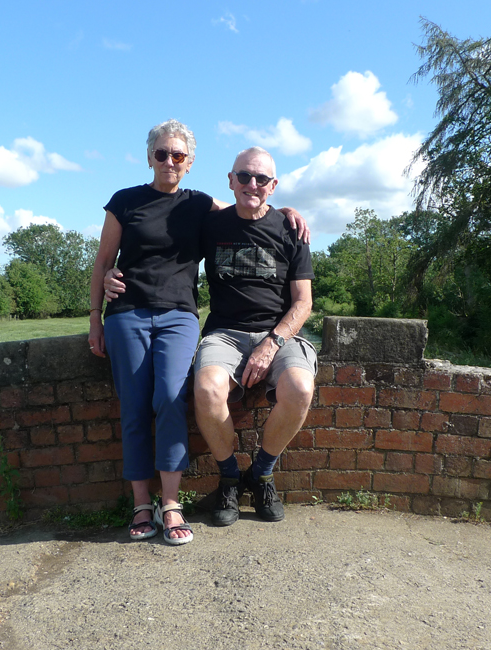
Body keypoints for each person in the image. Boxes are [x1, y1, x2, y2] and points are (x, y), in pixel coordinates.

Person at [89, 121, 308, 545]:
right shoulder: (125, 201)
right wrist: (95, 316)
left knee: (171, 399)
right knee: (134, 406)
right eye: (162, 154)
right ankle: (141, 503)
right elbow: (103, 261)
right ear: (149, 156)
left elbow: (251, 210)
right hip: (127, 313)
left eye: (178, 155)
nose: (169, 161)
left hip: (178, 315)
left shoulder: (201, 205)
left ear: (190, 163)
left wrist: (288, 213)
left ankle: (171, 505)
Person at [193, 147, 316, 527]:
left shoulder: (290, 230)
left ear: (273, 185)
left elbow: (303, 302)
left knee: (300, 388)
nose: (252, 184)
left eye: (262, 179)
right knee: (208, 388)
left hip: (279, 333)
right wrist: (118, 275)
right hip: (224, 333)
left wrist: (271, 342)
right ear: (230, 180)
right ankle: (230, 476)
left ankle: (262, 473)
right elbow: (162, 252)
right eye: (244, 176)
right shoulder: (211, 225)